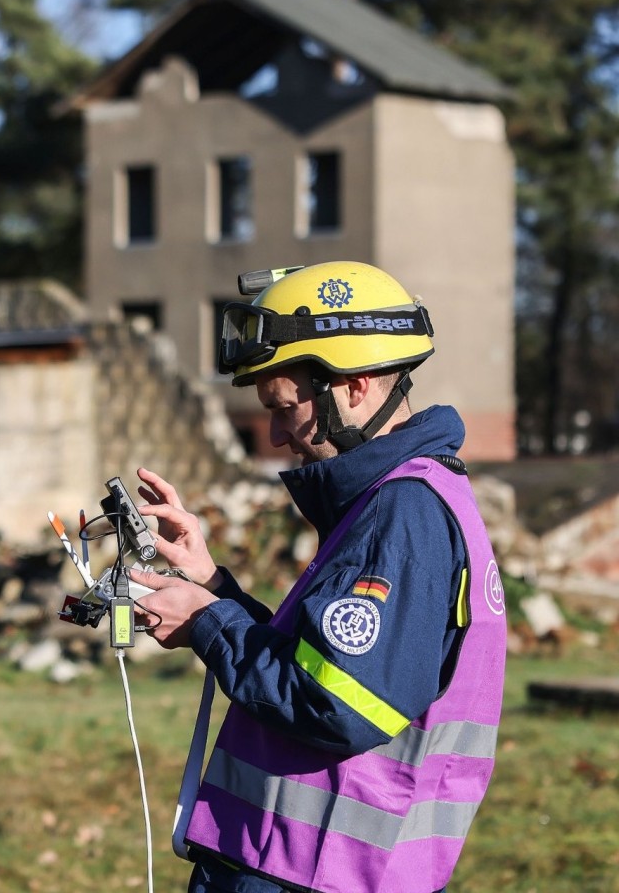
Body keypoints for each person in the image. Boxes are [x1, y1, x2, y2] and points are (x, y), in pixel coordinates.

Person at [126, 262, 507, 893]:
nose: (276, 435)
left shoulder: (401, 514)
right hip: (305, 866)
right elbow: (321, 668)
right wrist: (214, 586)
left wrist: (204, 621)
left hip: (313, 873)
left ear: (353, 387)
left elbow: (335, 704)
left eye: (283, 407)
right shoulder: (396, 500)